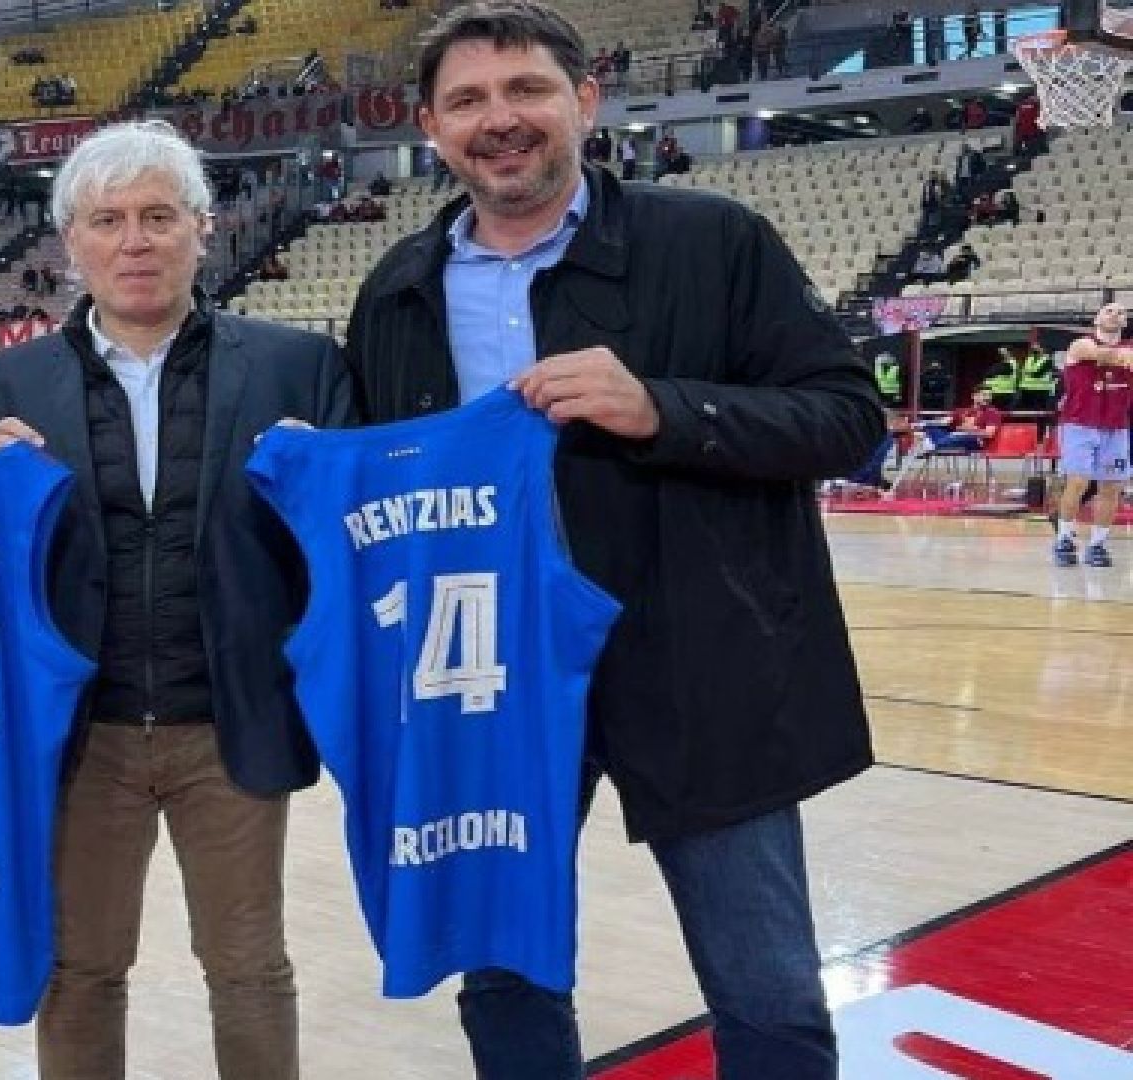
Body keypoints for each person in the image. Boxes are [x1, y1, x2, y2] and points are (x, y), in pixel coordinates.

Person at [338, 4, 882, 1077]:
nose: (500, 119)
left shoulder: (712, 241)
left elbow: (847, 418)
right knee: (504, 971)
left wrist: (664, 409)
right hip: (490, 677)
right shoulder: (396, 291)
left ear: (585, 101)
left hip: (697, 661)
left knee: (765, 984)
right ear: (431, 127)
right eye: (468, 100)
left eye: (526, 90)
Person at [0, 119, 353, 1080]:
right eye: (108, 220)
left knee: (249, 969)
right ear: (71, 242)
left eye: (159, 216)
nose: (134, 241)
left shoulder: (298, 366)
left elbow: (351, 551)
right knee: (81, 972)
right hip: (79, 733)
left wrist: (327, 486)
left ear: (203, 230)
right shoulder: (4, 383)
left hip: (229, 722)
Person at [1052, 304, 1133, 567]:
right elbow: (1100, 354)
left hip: (1116, 427)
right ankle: (1064, 538)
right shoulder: (1080, 345)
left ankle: (1097, 544)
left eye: (1121, 312)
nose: (1115, 314)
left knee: (1111, 486)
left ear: (1125, 322)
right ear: (1097, 319)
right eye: (1109, 311)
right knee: (1077, 482)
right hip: (1079, 425)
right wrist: (1121, 356)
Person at [914, 387, 1003, 454]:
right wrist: (922, 424)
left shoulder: (992, 412)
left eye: (989, 396)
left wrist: (969, 430)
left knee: (961, 437)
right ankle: (932, 444)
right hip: (953, 436)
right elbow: (944, 421)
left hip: (974, 440)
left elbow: (989, 433)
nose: (987, 398)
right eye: (983, 395)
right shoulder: (963, 411)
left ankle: (931, 445)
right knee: (930, 427)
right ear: (974, 396)